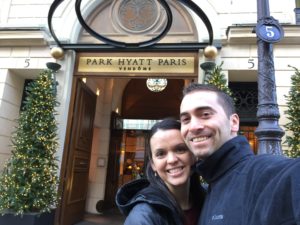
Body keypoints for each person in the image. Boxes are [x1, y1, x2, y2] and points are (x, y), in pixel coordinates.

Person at [179, 82, 300, 225]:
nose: (193, 126)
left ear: (234, 122)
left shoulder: (270, 174)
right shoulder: (206, 192)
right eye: (186, 119)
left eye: (205, 115)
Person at [116, 118, 206, 225]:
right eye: (161, 154)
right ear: (153, 164)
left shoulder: (210, 197)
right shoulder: (143, 216)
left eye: (180, 149)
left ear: (193, 155)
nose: (172, 160)